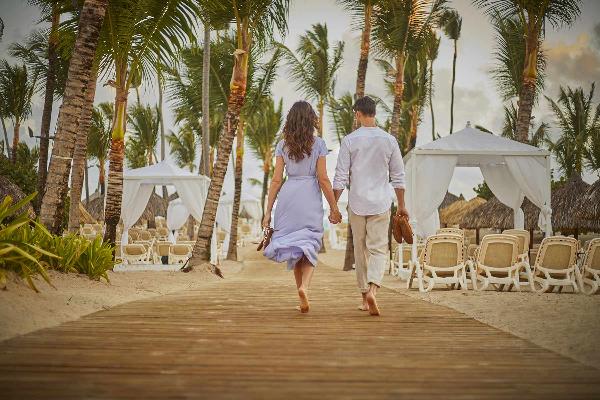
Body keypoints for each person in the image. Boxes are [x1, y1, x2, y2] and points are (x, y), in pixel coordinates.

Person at [263, 101, 342, 313]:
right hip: (309, 195)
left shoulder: (282, 145)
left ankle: (301, 292)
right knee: (310, 242)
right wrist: (334, 207)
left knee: (295, 247)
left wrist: (268, 211)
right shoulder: (319, 144)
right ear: (311, 120)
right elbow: (324, 179)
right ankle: (305, 287)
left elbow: (276, 180)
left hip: (288, 196)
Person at [332, 96, 408, 316]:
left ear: (357, 114)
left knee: (360, 250)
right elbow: (398, 177)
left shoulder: (349, 140)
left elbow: (340, 178)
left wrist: (334, 207)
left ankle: (365, 297)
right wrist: (401, 205)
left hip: (357, 204)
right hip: (381, 203)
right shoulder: (389, 140)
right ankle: (374, 288)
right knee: (378, 249)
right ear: (374, 113)